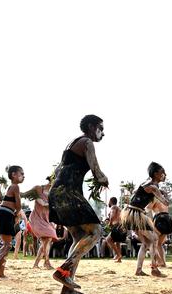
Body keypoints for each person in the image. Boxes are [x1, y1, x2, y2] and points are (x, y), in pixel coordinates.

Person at [48, 115, 109, 293]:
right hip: (68, 192)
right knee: (96, 232)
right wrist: (104, 180)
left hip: (57, 193)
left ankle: (67, 289)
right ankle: (64, 270)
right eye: (100, 128)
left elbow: (58, 170)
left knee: (79, 236)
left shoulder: (71, 143)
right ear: (91, 127)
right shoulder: (86, 142)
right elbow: (97, 171)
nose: (103, 133)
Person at [120, 162, 168, 277]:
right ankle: (154, 269)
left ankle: (139, 270)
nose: (164, 175)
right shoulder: (152, 186)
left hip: (134, 213)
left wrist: (159, 192)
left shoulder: (149, 183)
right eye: (162, 172)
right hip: (136, 214)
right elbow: (165, 202)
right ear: (155, 174)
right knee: (155, 238)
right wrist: (164, 194)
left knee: (146, 243)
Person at [25, 177, 58, 269]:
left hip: (47, 219)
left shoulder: (54, 192)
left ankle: (37, 264)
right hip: (37, 218)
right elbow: (43, 204)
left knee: (47, 240)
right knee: (46, 240)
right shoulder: (39, 189)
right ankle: (46, 262)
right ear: (51, 180)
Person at [147, 189, 172, 267]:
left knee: (153, 242)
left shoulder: (155, 198)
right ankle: (163, 263)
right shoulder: (165, 201)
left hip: (160, 218)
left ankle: (157, 261)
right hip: (168, 219)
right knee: (159, 244)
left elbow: (147, 208)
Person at [104, 197, 125, 263]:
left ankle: (118, 254)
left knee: (108, 239)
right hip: (121, 226)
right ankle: (119, 259)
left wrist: (110, 223)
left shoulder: (113, 207)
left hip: (116, 225)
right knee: (117, 242)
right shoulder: (119, 208)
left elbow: (112, 215)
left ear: (111, 201)